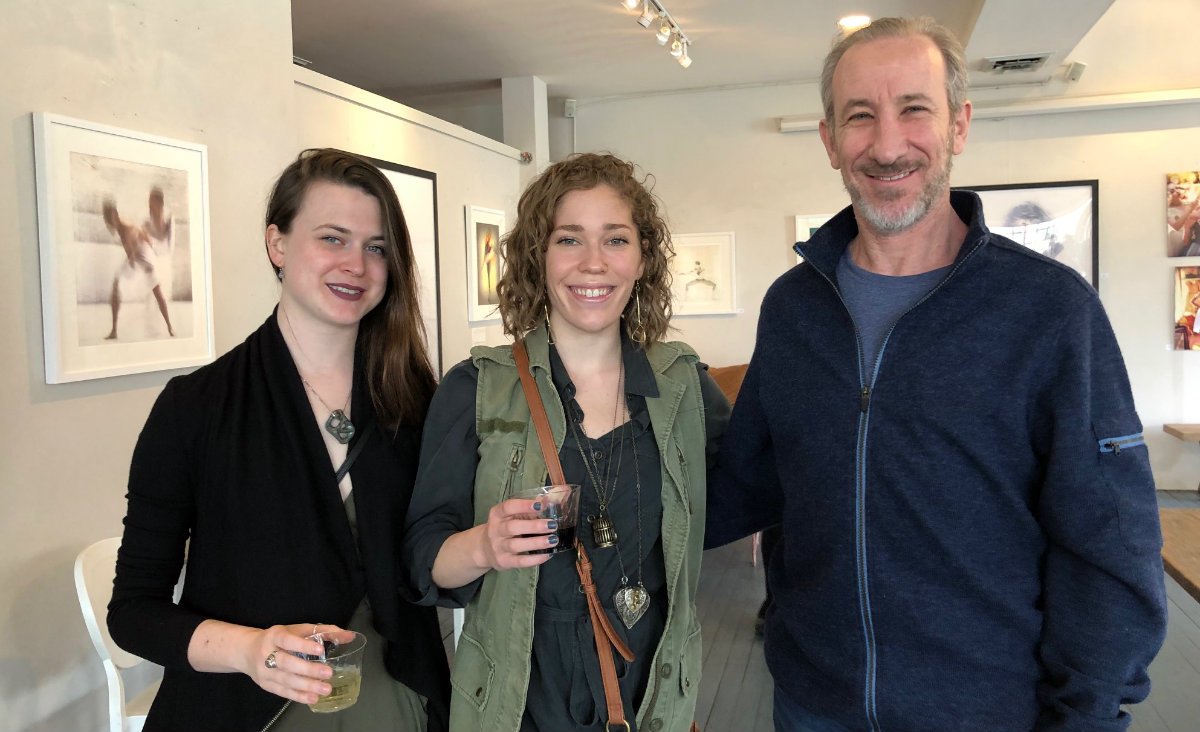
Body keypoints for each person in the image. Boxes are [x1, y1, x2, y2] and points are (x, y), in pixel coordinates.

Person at [708, 17, 1167, 732]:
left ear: (959, 125)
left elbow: (1108, 544)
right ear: (830, 141)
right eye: (860, 116)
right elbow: (744, 486)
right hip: (812, 704)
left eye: (914, 109)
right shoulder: (793, 308)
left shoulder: (1048, 311)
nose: (887, 144)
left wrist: (1089, 714)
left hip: (989, 711)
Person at [108, 149, 451, 732]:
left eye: (376, 247)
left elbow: (432, 562)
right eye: (333, 238)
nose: (357, 265)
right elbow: (133, 613)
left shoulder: (415, 400)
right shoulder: (196, 407)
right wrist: (250, 650)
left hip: (399, 702)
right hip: (246, 710)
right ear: (278, 244)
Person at [402, 152, 730, 731]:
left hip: (652, 698)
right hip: (521, 700)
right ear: (539, 255)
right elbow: (424, 558)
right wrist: (485, 545)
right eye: (570, 239)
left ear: (642, 257)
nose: (594, 263)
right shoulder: (477, 389)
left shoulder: (683, 387)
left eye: (616, 240)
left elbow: (740, 498)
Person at [103, 196, 175, 339]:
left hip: (142, 257)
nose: (111, 221)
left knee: (157, 292)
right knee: (116, 286)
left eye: (112, 216)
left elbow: (133, 248)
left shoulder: (126, 227)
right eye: (108, 218)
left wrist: (148, 253)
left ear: (116, 215)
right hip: (136, 257)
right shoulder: (118, 227)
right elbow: (142, 235)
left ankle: (170, 328)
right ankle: (114, 331)